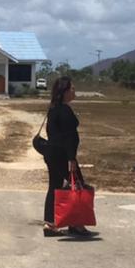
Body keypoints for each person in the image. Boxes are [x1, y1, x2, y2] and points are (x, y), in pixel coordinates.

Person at [42, 76, 92, 238]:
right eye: (72, 89)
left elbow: (52, 133)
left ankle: (50, 224)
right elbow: (69, 137)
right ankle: (76, 223)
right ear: (64, 92)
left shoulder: (54, 108)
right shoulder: (64, 110)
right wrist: (71, 158)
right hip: (63, 154)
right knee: (78, 185)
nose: (74, 91)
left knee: (55, 186)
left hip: (52, 152)